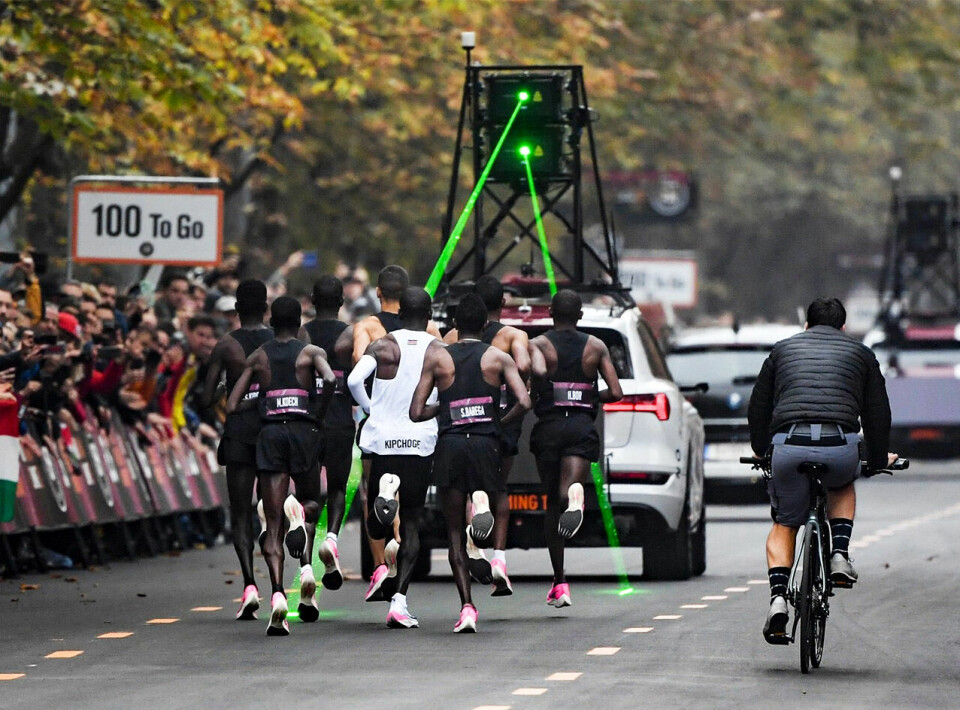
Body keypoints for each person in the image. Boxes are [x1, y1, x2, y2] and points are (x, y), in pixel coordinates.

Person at [747, 297, 896, 645]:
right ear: (843, 328)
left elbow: (759, 407)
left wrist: (762, 450)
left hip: (789, 445)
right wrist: (875, 459)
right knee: (842, 484)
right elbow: (878, 414)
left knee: (785, 523)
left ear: (806, 326)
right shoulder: (861, 353)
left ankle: (779, 597)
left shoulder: (781, 351)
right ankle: (840, 554)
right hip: (840, 446)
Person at [412, 294, 530, 632]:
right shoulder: (497, 357)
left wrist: (447, 409)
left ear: (455, 326)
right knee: (488, 494)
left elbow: (416, 411)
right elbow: (523, 400)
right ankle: (481, 503)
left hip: (450, 444)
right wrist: (498, 421)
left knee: (452, 530)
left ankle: (466, 607)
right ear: (485, 325)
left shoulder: (438, 358)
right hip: (485, 443)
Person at [226, 296, 335, 636]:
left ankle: (276, 595)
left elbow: (231, 404)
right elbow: (331, 380)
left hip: (271, 435)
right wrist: (316, 412)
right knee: (312, 501)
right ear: (300, 320)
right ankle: (300, 517)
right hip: (304, 431)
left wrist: (264, 401)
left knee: (271, 524)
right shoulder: (311, 352)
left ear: (272, 323)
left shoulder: (258, 356)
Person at [347, 287, 438, 628]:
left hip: (382, 440)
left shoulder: (382, 345)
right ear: (429, 316)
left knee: (376, 516)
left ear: (399, 315)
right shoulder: (439, 350)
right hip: (419, 441)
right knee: (411, 522)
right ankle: (399, 602)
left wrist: (372, 408)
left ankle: (385, 495)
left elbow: (355, 378)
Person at [528, 289, 623, 608]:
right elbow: (616, 391)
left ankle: (560, 581)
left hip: (550, 427)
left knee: (551, 505)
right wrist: (590, 397)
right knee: (568, 488)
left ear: (550, 312)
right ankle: (576, 494)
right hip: (582, 426)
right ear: (580, 316)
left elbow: (535, 378)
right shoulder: (596, 347)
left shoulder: (538, 344)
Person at [444, 275, 531, 595]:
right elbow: (523, 365)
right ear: (502, 304)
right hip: (501, 421)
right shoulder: (513, 335)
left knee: (462, 487)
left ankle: (472, 543)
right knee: (498, 487)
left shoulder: (452, 335)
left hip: (459, 420)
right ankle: (499, 560)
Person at [201, 279, 273, 621]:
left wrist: (224, 389)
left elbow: (204, 400)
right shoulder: (281, 342)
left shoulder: (226, 345)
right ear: (267, 308)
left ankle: (248, 585)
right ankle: (278, 586)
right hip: (275, 430)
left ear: (238, 311)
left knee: (241, 512)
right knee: (275, 512)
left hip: (240, 433)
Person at [301, 275, 355, 591]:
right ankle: (332, 538)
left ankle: (306, 564)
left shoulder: (302, 333)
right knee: (336, 487)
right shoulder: (350, 335)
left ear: (311, 299)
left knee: (307, 496)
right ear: (341, 303)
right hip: (340, 420)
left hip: (308, 421)